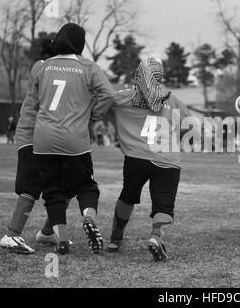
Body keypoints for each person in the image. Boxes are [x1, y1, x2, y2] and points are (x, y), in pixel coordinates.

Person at [30, 23, 115, 254]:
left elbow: (35, 100)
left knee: (53, 191)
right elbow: (108, 94)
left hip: (44, 138)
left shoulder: (43, 66)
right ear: (80, 43)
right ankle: (88, 216)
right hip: (74, 138)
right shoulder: (88, 66)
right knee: (86, 184)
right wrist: (94, 115)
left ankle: (62, 238)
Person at [107, 57, 192, 261]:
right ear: (160, 76)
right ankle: (156, 236)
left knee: (128, 196)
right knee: (163, 205)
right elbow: (189, 125)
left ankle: (116, 238)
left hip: (137, 157)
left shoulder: (127, 96)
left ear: (139, 73)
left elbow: (104, 101)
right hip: (167, 159)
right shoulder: (172, 99)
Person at [0, 37, 69, 254]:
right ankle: (11, 235)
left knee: (65, 185)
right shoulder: (43, 67)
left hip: (49, 135)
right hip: (33, 134)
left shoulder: (50, 68)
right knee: (31, 185)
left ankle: (47, 232)